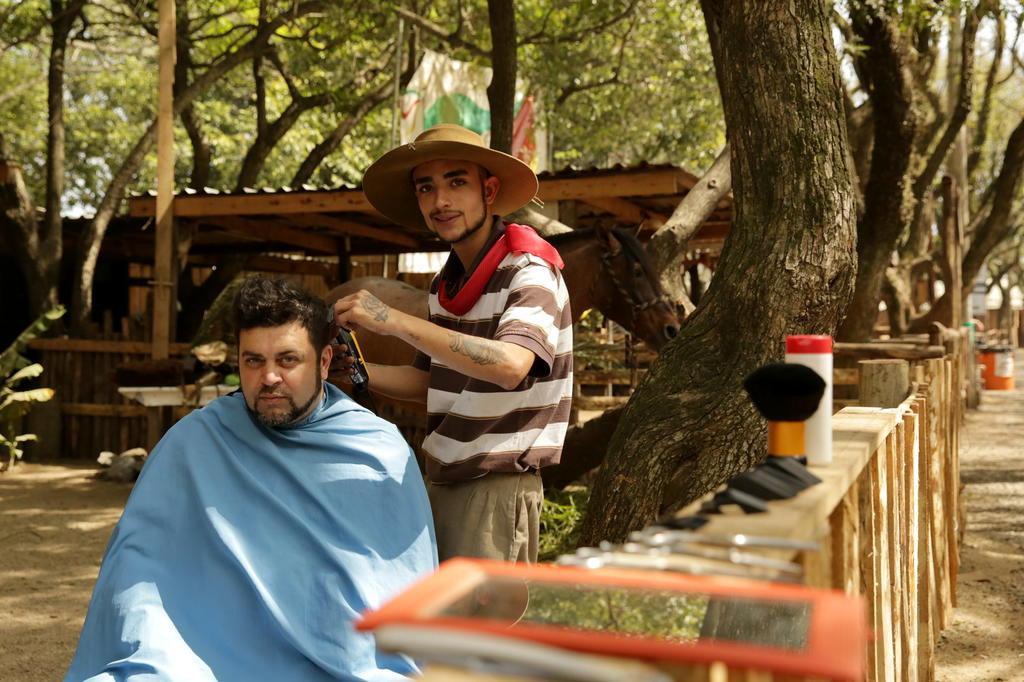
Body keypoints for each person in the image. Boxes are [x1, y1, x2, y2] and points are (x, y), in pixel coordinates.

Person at [66, 276, 437, 682]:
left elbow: (400, 598)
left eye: (288, 360)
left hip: (340, 661)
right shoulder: (196, 441)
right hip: (194, 659)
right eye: (253, 361)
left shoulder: (376, 452)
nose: (269, 377)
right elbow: (139, 564)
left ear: (325, 363)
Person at [333, 124, 572, 564]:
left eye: (456, 182)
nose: (440, 201)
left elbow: (511, 364)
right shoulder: (446, 284)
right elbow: (430, 381)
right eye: (427, 188)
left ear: (490, 189)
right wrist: (354, 374)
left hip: (494, 486)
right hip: (441, 481)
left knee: (481, 633)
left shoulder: (529, 269)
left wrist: (392, 320)